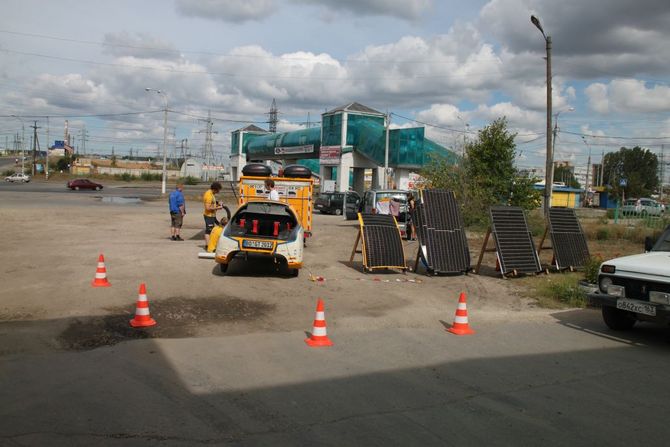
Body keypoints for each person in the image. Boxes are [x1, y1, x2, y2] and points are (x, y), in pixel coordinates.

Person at [203, 181, 223, 247]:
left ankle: (210, 245)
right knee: (209, 231)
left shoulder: (211, 194)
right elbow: (207, 208)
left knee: (211, 230)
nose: (219, 192)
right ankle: (208, 245)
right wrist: (218, 208)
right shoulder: (208, 195)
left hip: (212, 215)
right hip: (209, 216)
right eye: (218, 190)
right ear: (215, 189)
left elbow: (212, 203)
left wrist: (218, 203)